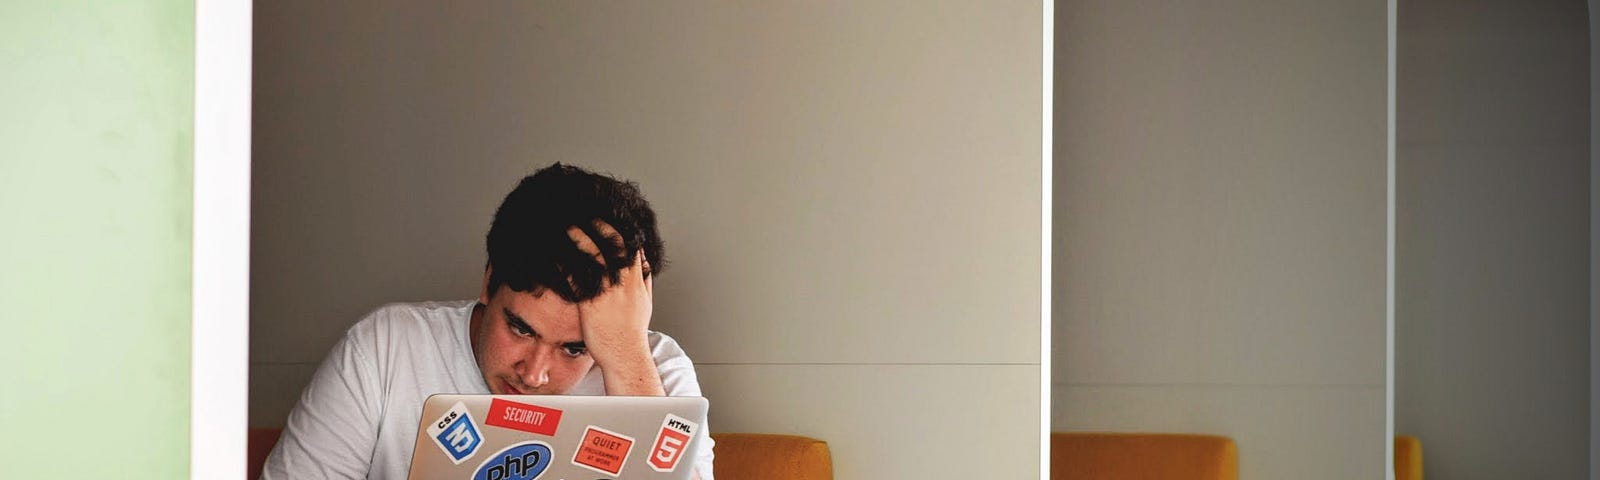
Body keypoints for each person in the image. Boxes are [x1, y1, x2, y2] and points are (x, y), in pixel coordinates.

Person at [260, 163, 714, 479]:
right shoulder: (385, 349)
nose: (534, 375)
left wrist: (624, 357)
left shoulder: (656, 371)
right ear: (489, 281)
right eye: (520, 328)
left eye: (576, 348)